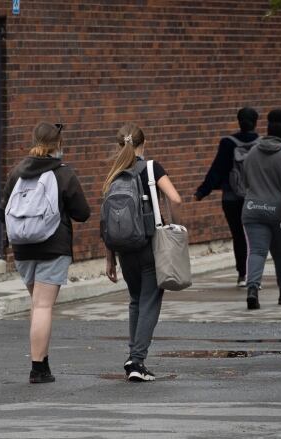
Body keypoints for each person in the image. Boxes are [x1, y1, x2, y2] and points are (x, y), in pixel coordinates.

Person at [0, 122, 90, 384]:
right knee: (43, 306)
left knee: (37, 305)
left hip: (22, 248)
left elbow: (1, 211)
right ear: (58, 144)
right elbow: (82, 213)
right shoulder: (63, 173)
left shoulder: (17, 172)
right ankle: (38, 368)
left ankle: (43, 360)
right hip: (53, 246)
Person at [103, 123, 182, 382]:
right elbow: (175, 198)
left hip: (125, 249)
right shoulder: (152, 168)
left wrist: (109, 258)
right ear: (143, 143)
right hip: (150, 245)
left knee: (136, 301)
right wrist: (175, 228)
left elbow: (107, 221)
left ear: (119, 146)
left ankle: (133, 355)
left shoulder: (114, 174)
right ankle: (137, 361)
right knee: (150, 302)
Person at [194, 108, 260, 287]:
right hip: (256, 198)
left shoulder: (227, 143)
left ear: (239, 121)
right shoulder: (262, 144)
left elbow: (217, 170)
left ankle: (242, 275)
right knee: (255, 237)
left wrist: (202, 191)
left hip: (231, 198)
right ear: (256, 122)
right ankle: (255, 276)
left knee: (238, 235)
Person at [241, 109, 281, 310]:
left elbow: (244, 181)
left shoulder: (252, 152)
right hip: (279, 212)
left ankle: (252, 290)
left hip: (253, 208)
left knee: (256, 251)